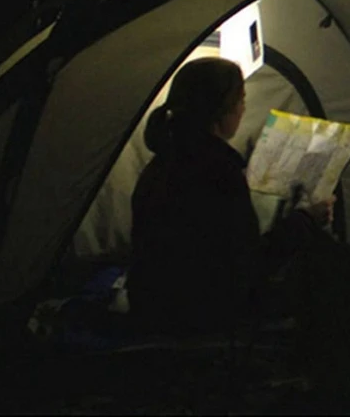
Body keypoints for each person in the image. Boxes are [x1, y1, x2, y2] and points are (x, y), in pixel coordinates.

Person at [127, 57, 336, 335]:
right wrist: (306, 220)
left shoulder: (159, 164)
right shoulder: (217, 170)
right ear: (222, 110)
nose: (243, 108)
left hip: (151, 310)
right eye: (241, 100)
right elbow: (248, 266)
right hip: (206, 318)